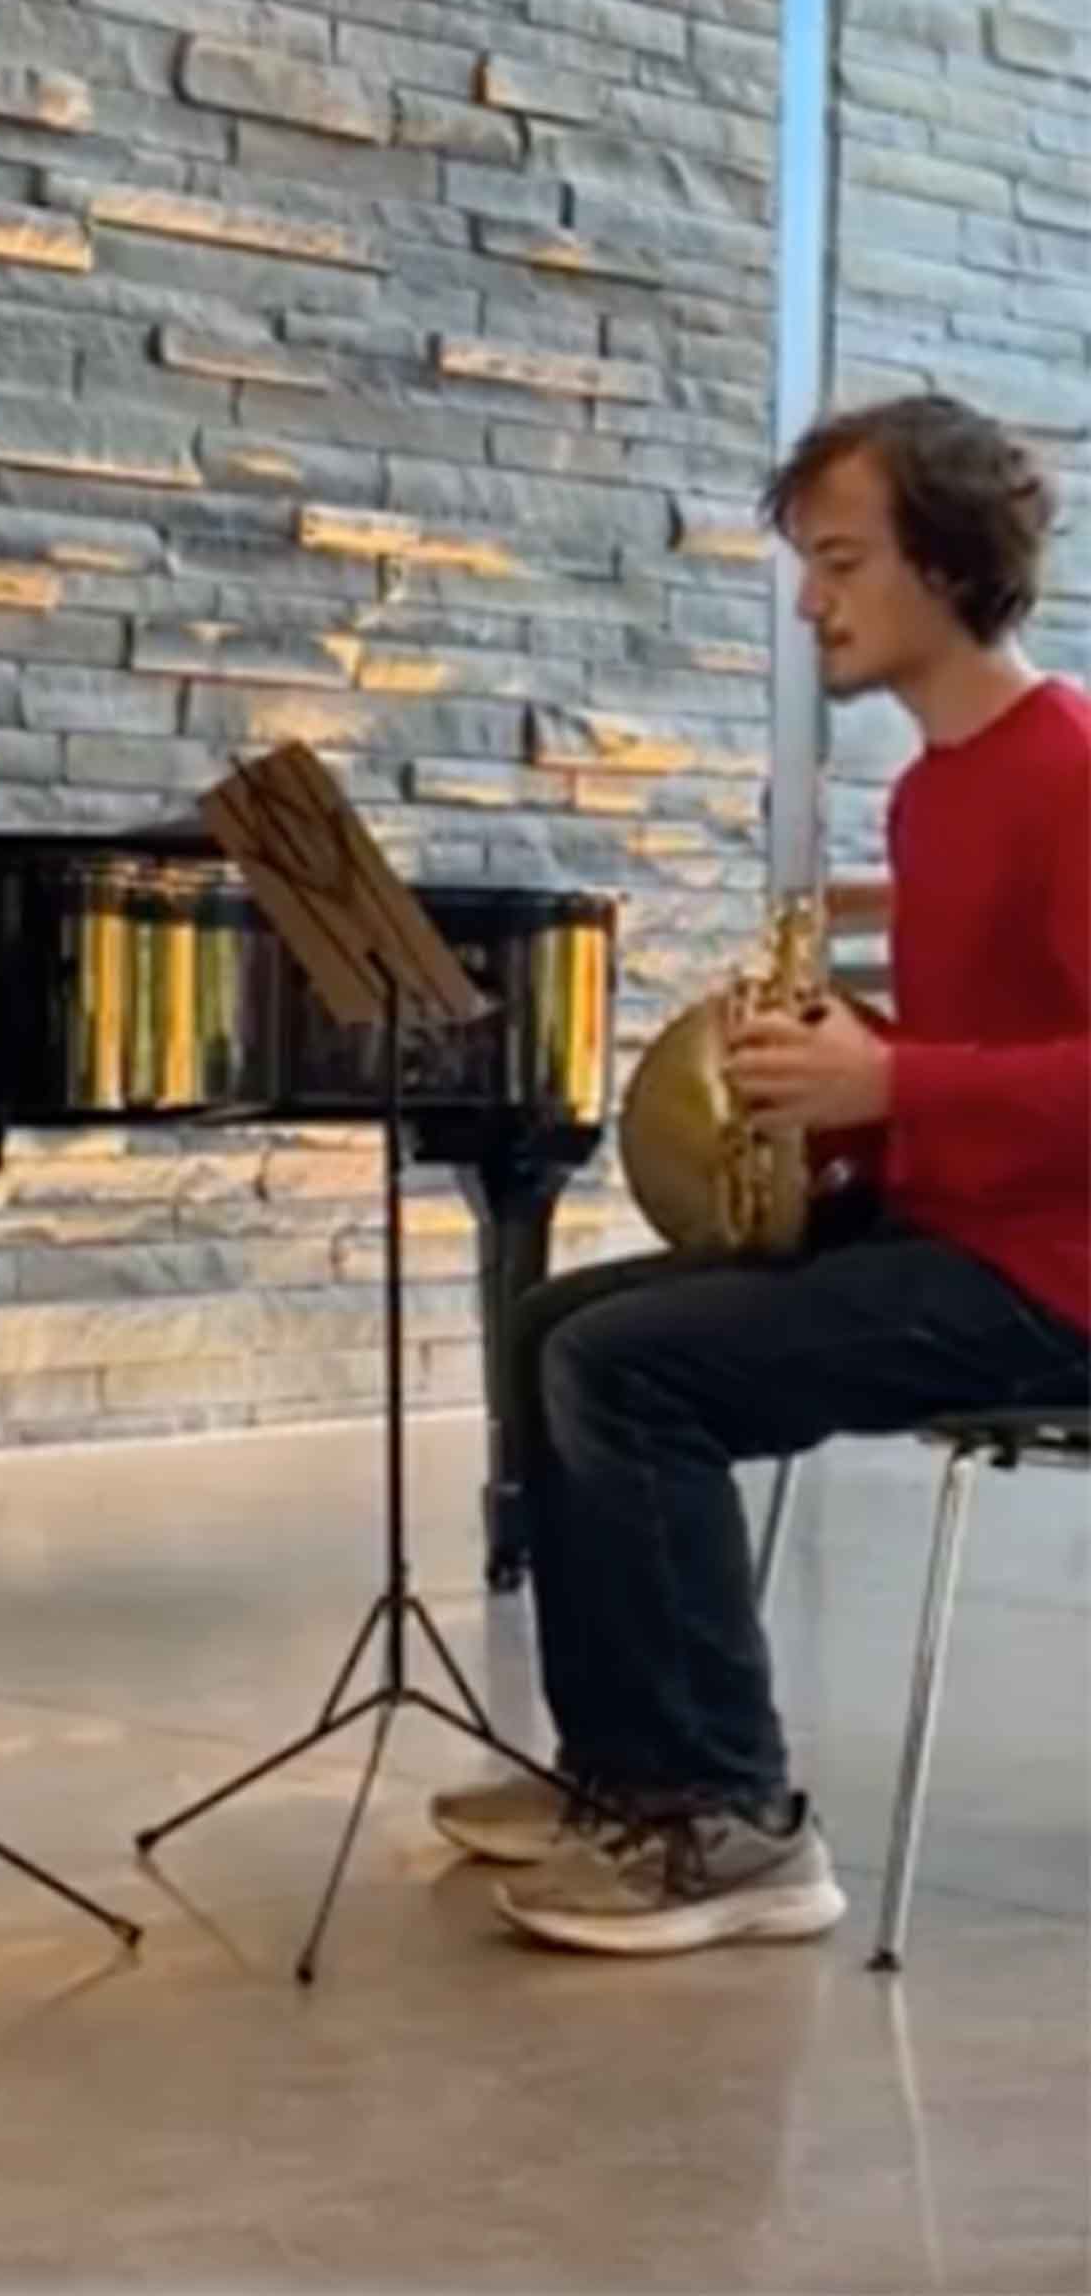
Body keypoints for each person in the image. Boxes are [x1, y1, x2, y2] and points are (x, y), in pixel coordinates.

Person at [431, 395, 1091, 1957]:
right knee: (553, 1331)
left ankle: (730, 1821)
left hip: (1053, 1280)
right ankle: (630, 1771)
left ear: (946, 566)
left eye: (844, 562)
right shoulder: (936, 789)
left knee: (634, 1371)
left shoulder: (1069, 771)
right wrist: (837, 1076)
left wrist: (894, 1077)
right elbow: (1001, 1045)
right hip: (955, 1233)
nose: (813, 604)